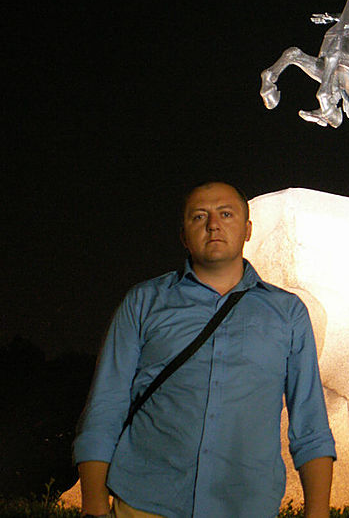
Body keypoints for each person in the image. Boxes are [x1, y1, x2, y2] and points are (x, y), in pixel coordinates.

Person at [73, 181, 335, 518]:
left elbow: (310, 420)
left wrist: (318, 511)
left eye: (226, 214)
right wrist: (93, 504)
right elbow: (105, 406)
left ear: (248, 229)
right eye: (199, 216)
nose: (214, 224)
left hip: (246, 506)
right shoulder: (143, 301)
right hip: (145, 502)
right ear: (184, 234)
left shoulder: (288, 312)